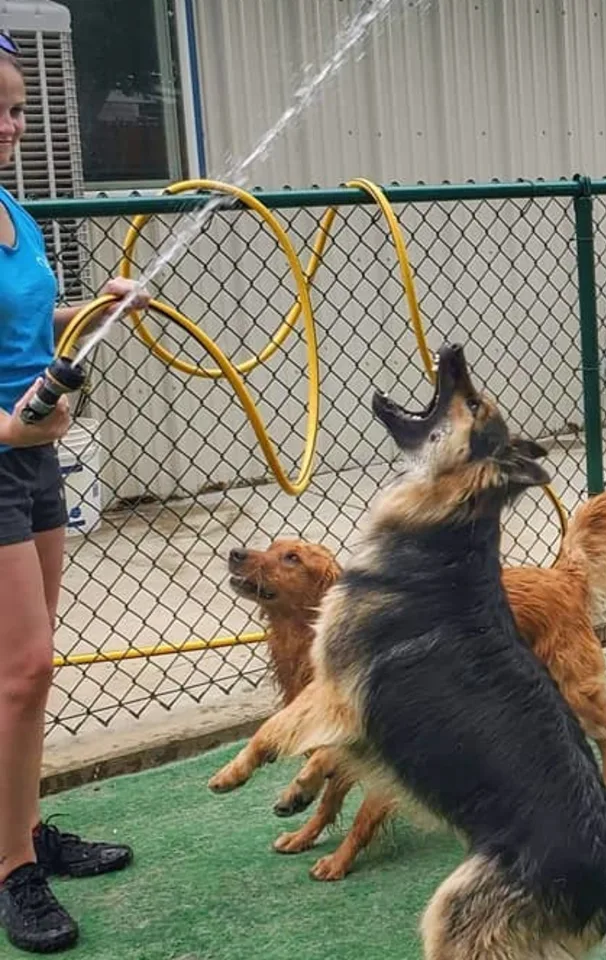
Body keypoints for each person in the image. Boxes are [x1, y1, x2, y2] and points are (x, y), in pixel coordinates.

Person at [0, 33, 150, 953]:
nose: (11, 126)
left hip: (33, 455)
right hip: (3, 448)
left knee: (25, 678)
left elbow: (26, 316)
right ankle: (11, 869)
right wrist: (8, 429)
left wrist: (98, 306)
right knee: (24, 672)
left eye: (17, 108)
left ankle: (22, 832)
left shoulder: (13, 210)